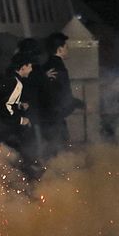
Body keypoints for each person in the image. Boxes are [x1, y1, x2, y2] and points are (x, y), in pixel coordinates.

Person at [27, 32, 83, 160]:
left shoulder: (44, 68)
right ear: (60, 49)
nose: (68, 50)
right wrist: (80, 104)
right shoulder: (59, 68)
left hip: (45, 117)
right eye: (66, 47)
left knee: (49, 150)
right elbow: (63, 95)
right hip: (55, 117)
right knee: (59, 151)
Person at [0, 52, 33, 150]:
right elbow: (5, 106)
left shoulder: (6, 78)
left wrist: (19, 105)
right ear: (23, 67)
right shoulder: (16, 83)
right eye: (30, 66)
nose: (31, 70)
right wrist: (21, 120)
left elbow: (2, 99)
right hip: (2, 127)